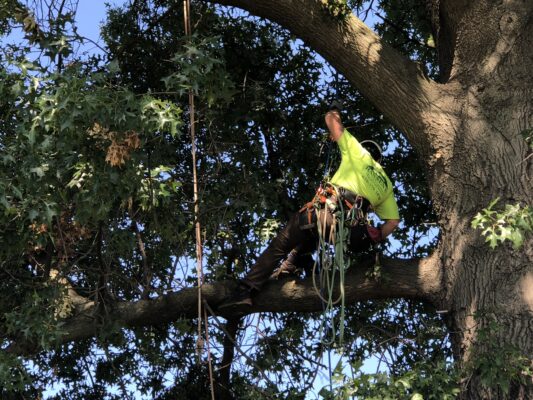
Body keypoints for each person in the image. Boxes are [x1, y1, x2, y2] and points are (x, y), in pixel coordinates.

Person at [219, 105, 400, 311]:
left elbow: (331, 119)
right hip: (343, 234)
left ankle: (245, 290)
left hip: (323, 215)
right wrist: (375, 235)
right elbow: (393, 222)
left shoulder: (359, 153)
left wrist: (335, 112)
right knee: (312, 235)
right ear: (380, 161)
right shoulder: (386, 184)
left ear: (368, 151)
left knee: (280, 245)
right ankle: (289, 269)